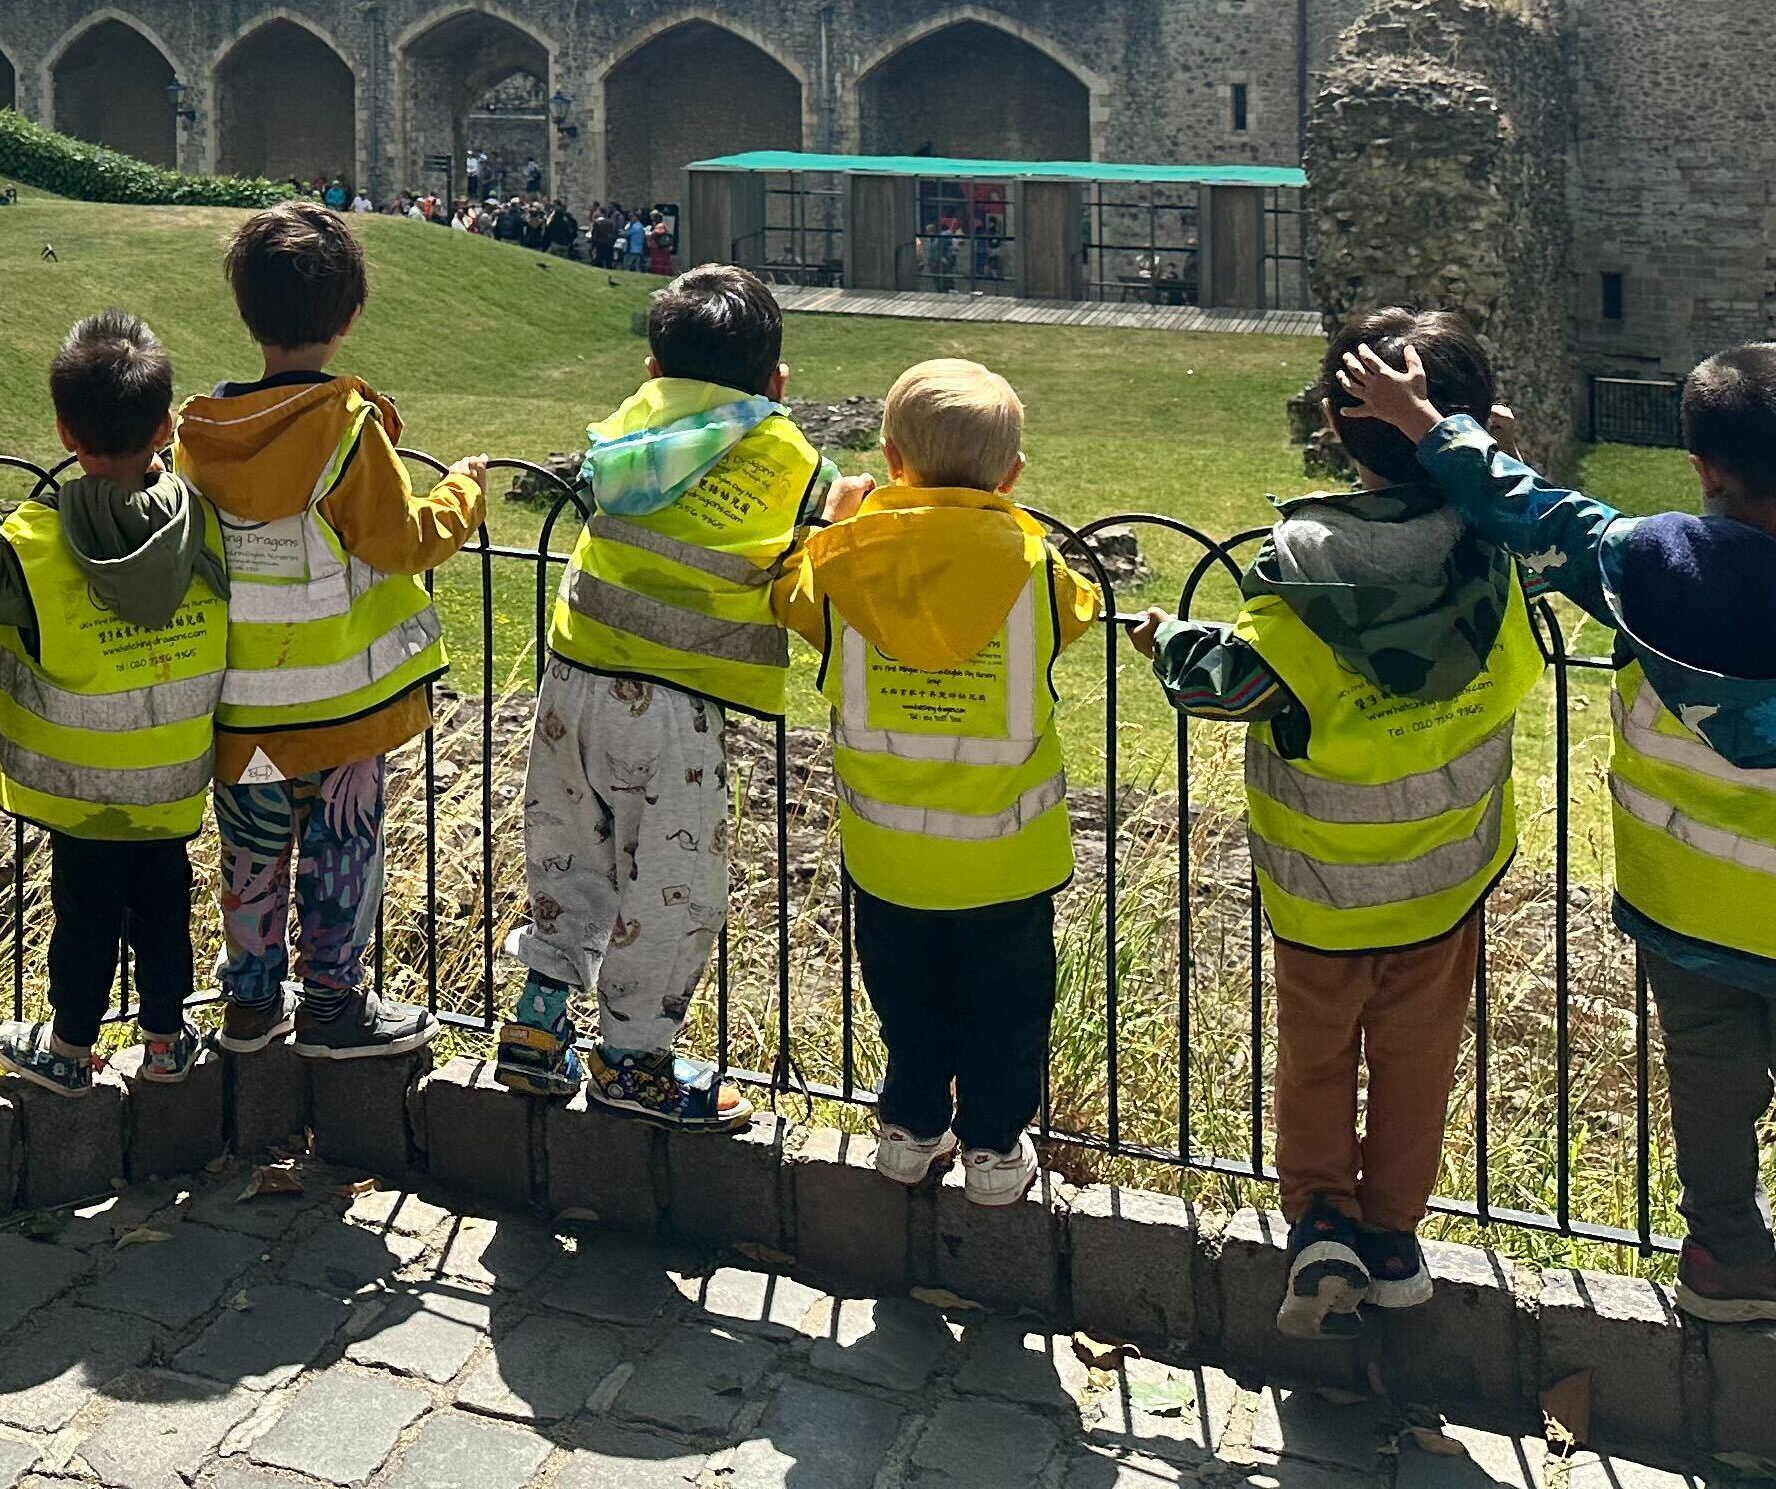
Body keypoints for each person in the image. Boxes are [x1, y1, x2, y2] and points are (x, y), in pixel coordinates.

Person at [1335, 336, 1776, 1364]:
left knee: (1707, 1075)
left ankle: (1724, 1258)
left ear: (1702, 469)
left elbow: (1521, 505)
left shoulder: (1640, 565)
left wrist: (1421, 421)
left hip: (1683, 897)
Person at [1132, 312, 1543, 1333]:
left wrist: (1167, 641)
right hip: (1444, 883)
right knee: (1417, 1058)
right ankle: (1395, 1237)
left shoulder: (1305, 570)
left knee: (1316, 1054)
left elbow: (1234, 685)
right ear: (1476, 425)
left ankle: (1321, 1219)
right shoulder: (1496, 557)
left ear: (1330, 423)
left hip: (1321, 887)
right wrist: (1489, 460)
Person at [488, 266, 827, 1126]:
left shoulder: (629, 429)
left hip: (573, 681)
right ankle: (633, 1062)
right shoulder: (788, 454)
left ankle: (536, 1033)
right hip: (677, 706)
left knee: (567, 858)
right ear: (777, 383)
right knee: (672, 889)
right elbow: (811, 537)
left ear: (652, 371)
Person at [774, 357, 1099, 1207]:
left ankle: (908, 1132)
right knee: (1008, 1014)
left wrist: (836, 526)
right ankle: (995, 1151)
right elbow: (1084, 611)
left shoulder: (845, 565)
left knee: (908, 1008)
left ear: (890, 458)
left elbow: (790, 599)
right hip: (1008, 857)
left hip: (888, 854)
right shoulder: (1034, 569)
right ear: (1014, 475)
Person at [178, 206, 481, 1057]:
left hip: (242, 703)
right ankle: (332, 1008)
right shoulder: (347, 429)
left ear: (246, 311)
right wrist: (463, 490)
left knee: (251, 856)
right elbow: (405, 541)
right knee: (342, 854)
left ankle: (248, 1004)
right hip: (342, 708)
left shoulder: (199, 437)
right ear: (349, 317)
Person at [0, 311, 228, 1092]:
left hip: (79, 785)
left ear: (64, 432)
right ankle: (168, 1042)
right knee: (163, 907)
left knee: (84, 918)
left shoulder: (38, 540)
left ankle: (71, 1051)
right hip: (173, 777)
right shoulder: (204, 525)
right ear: (167, 425)